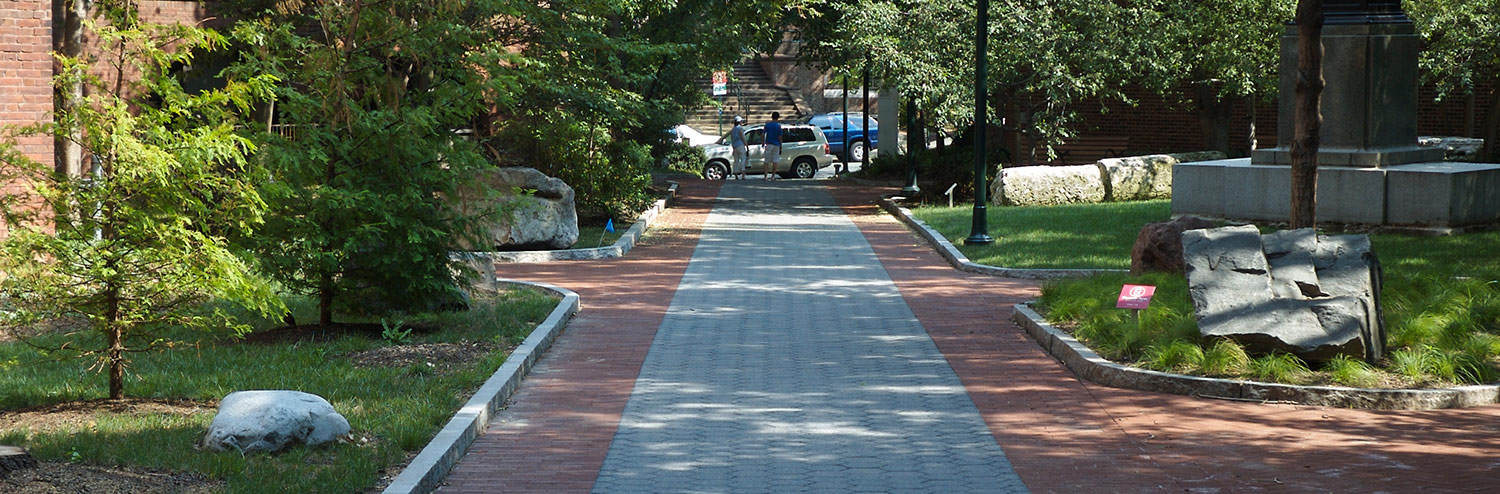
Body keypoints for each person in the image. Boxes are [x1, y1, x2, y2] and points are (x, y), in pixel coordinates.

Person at [763, 111, 783, 180]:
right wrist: (781, 146)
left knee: (766, 161)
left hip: (769, 144)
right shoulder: (778, 126)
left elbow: (763, 134)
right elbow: (780, 137)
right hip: (776, 144)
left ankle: (765, 176)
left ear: (772, 117)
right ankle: (773, 176)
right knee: (775, 160)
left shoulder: (767, 125)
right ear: (778, 118)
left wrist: (763, 142)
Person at [729, 116, 748, 180]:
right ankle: (743, 175)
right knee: (743, 159)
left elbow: (732, 138)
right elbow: (742, 137)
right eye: (741, 121)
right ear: (739, 122)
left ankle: (736, 175)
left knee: (736, 160)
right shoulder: (740, 128)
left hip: (735, 146)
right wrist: (746, 145)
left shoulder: (733, 129)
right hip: (740, 145)